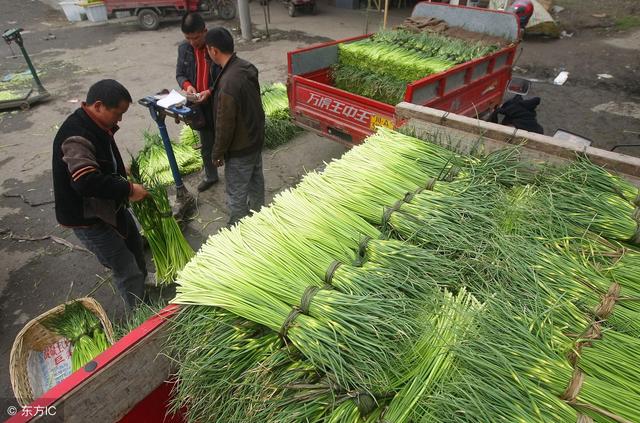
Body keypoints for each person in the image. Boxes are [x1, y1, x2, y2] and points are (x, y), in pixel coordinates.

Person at [52, 79, 151, 308]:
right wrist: (128, 189)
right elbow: (85, 181)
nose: (121, 120)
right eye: (118, 113)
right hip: (89, 218)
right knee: (125, 266)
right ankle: (140, 313)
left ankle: (142, 291)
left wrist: (116, 168)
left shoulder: (96, 123)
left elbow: (98, 159)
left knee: (135, 246)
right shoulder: (77, 136)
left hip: (109, 206)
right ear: (98, 105)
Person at [204, 27, 266, 226]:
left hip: (240, 147)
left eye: (207, 50)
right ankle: (260, 218)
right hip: (255, 139)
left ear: (214, 50)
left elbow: (225, 125)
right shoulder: (245, 67)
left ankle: (238, 229)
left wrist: (217, 153)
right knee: (256, 182)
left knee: (237, 191)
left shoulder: (228, 84)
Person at [176, 12, 222, 192]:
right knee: (206, 143)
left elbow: (225, 74)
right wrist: (188, 86)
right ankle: (211, 176)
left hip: (217, 101)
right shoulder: (184, 49)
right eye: (188, 38)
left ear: (205, 31)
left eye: (195, 37)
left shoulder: (215, 47)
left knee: (228, 139)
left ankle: (236, 175)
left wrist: (210, 91)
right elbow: (180, 74)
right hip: (199, 105)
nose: (192, 42)